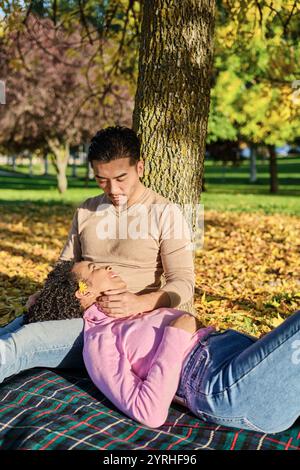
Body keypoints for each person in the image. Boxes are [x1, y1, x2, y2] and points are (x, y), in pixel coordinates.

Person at [0, 126, 194, 383]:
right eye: (102, 179)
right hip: (72, 310)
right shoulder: (86, 210)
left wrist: (141, 303)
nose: (112, 189)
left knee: (22, 344)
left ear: (140, 168)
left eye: (121, 178)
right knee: (9, 332)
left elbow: (184, 283)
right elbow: (64, 266)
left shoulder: (166, 213)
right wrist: (45, 295)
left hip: (112, 328)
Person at [21, 261, 300, 434]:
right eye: (94, 269)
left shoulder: (128, 310)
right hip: (223, 387)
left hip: (241, 360)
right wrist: (176, 335)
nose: (106, 267)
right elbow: (149, 412)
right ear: (83, 292)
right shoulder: (100, 340)